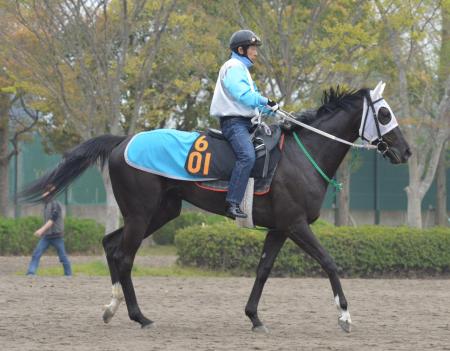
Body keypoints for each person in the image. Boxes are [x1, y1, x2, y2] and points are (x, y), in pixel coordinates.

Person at [210, 29, 279, 219]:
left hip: (245, 122)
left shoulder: (242, 70)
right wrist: (266, 101)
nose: (256, 52)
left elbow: (252, 102)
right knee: (247, 156)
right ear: (241, 49)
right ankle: (232, 203)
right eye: (253, 48)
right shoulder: (233, 67)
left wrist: (271, 110)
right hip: (234, 124)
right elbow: (243, 95)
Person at [26, 195, 72, 276]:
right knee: (36, 254)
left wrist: (41, 230)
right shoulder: (46, 205)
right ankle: (31, 272)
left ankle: (68, 274)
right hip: (46, 237)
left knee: (62, 256)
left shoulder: (55, 204)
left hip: (57, 236)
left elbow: (52, 219)